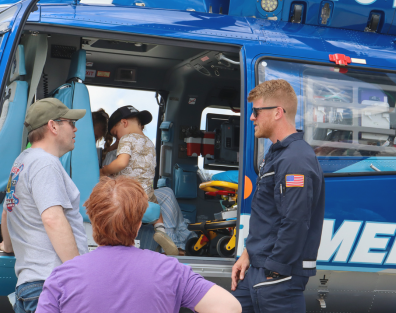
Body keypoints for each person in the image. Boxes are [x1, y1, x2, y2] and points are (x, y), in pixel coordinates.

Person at [36, 176, 242, 313]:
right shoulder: (170, 270)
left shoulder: (61, 277)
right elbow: (231, 307)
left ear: (93, 219)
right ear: (138, 225)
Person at [231, 79, 325, 312]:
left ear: (277, 113)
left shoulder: (296, 159)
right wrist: (247, 254)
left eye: (256, 111)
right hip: (256, 270)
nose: (252, 117)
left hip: (276, 278)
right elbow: (269, 215)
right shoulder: (277, 154)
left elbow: (295, 221)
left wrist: (275, 270)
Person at [0, 98, 89, 313]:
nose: (76, 128)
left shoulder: (22, 162)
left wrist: (8, 247)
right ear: (53, 125)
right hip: (52, 287)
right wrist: (78, 275)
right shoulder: (45, 163)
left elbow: (6, 213)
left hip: (31, 286)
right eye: (71, 122)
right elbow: (53, 219)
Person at [100, 105, 178, 255]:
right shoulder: (149, 142)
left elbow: (122, 163)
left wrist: (104, 171)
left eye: (116, 134)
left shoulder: (127, 139)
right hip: (146, 194)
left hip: (128, 193)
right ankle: (161, 230)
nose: (118, 139)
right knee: (156, 208)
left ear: (124, 123)